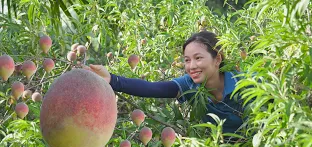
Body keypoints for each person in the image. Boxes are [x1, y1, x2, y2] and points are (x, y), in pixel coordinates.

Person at [83, 31, 246, 135]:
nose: (191, 66)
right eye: (187, 60)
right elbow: (154, 88)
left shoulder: (244, 84)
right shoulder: (189, 85)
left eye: (198, 58)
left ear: (217, 59)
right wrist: (112, 79)